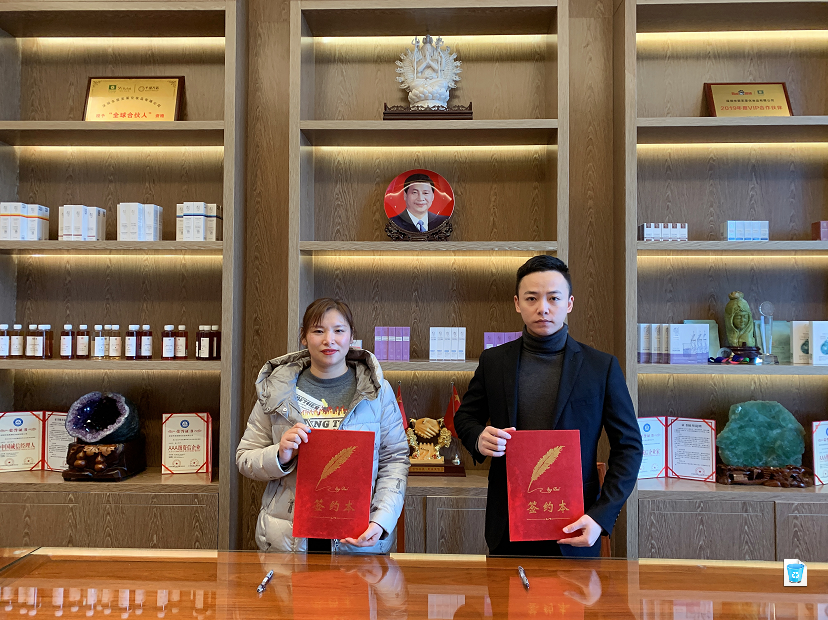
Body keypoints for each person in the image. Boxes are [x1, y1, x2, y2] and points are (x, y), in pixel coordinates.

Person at [453, 256, 643, 557]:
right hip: (508, 522)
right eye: (532, 298)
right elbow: (465, 416)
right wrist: (478, 437)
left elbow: (629, 447)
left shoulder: (601, 367)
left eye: (553, 298)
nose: (543, 308)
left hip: (576, 521)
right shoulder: (494, 361)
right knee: (506, 589)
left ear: (569, 303)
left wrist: (601, 516)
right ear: (517, 303)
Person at [236, 298, 410, 554]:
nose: (329, 340)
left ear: (351, 336)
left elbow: (394, 460)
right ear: (304, 337)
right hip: (288, 542)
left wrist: (381, 520)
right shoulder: (277, 391)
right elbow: (244, 458)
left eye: (339, 330)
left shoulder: (377, 392)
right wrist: (280, 455)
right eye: (318, 331)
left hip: (358, 539)